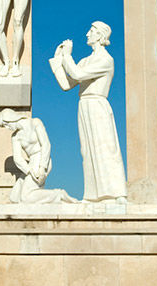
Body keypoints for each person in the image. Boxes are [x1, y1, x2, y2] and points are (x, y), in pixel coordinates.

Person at [49, 21, 127, 203]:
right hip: (84, 106)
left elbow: (77, 75)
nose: (87, 34)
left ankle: (117, 193)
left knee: (106, 147)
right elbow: (67, 84)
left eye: (91, 31)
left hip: (98, 104)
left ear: (100, 35)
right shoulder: (85, 60)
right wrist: (58, 62)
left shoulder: (106, 60)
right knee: (88, 151)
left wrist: (67, 56)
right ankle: (93, 195)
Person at [0, 108, 76, 204]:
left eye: (6, 124)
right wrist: (29, 170)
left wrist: (42, 167)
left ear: (10, 118)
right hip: (31, 163)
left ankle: (59, 195)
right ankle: (53, 199)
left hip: (41, 158)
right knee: (14, 197)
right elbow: (17, 158)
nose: (7, 128)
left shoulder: (35, 123)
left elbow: (46, 144)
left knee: (25, 198)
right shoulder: (15, 137)